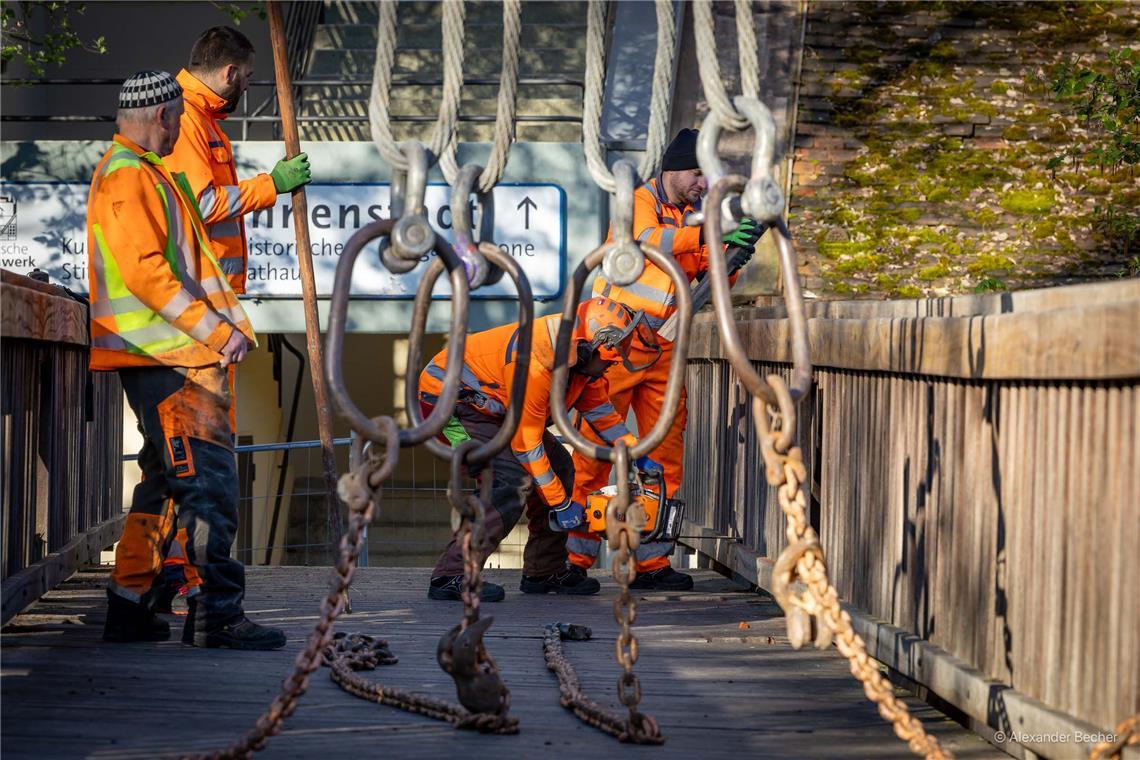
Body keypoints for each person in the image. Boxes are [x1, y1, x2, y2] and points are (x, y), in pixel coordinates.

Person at [89, 70, 285, 650]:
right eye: (177, 117)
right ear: (158, 116)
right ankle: (215, 616)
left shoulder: (142, 174)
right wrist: (216, 333)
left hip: (163, 357)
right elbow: (149, 273)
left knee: (165, 485)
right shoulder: (129, 176)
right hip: (173, 358)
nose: (182, 127)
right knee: (208, 489)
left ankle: (130, 606)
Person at [568, 128, 764, 591]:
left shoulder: (692, 220)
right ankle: (571, 562)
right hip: (612, 349)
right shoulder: (635, 201)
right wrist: (707, 231)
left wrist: (731, 256)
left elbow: (709, 288)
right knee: (593, 456)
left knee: (665, 457)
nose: (702, 184)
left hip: (664, 353)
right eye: (697, 173)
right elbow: (642, 238)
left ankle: (651, 563)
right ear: (673, 169)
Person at [156, 26, 312, 610]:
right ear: (228, 73)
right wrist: (271, 185)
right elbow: (203, 204)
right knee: (205, 461)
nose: (248, 86)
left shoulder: (199, 118)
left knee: (186, 464)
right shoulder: (186, 119)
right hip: (198, 318)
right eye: (246, 78)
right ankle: (192, 586)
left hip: (206, 311)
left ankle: (173, 578)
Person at [420, 297, 663, 601]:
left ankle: (543, 571)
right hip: (451, 401)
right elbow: (527, 445)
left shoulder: (583, 366)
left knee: (560, 465)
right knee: (509, 479)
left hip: (495, 408)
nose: (617, 361)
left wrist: (635, 454)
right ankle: (452, 575)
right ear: (590, 344)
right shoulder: (535, 362)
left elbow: (604, 416)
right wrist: (561, 504)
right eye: (613, 354)